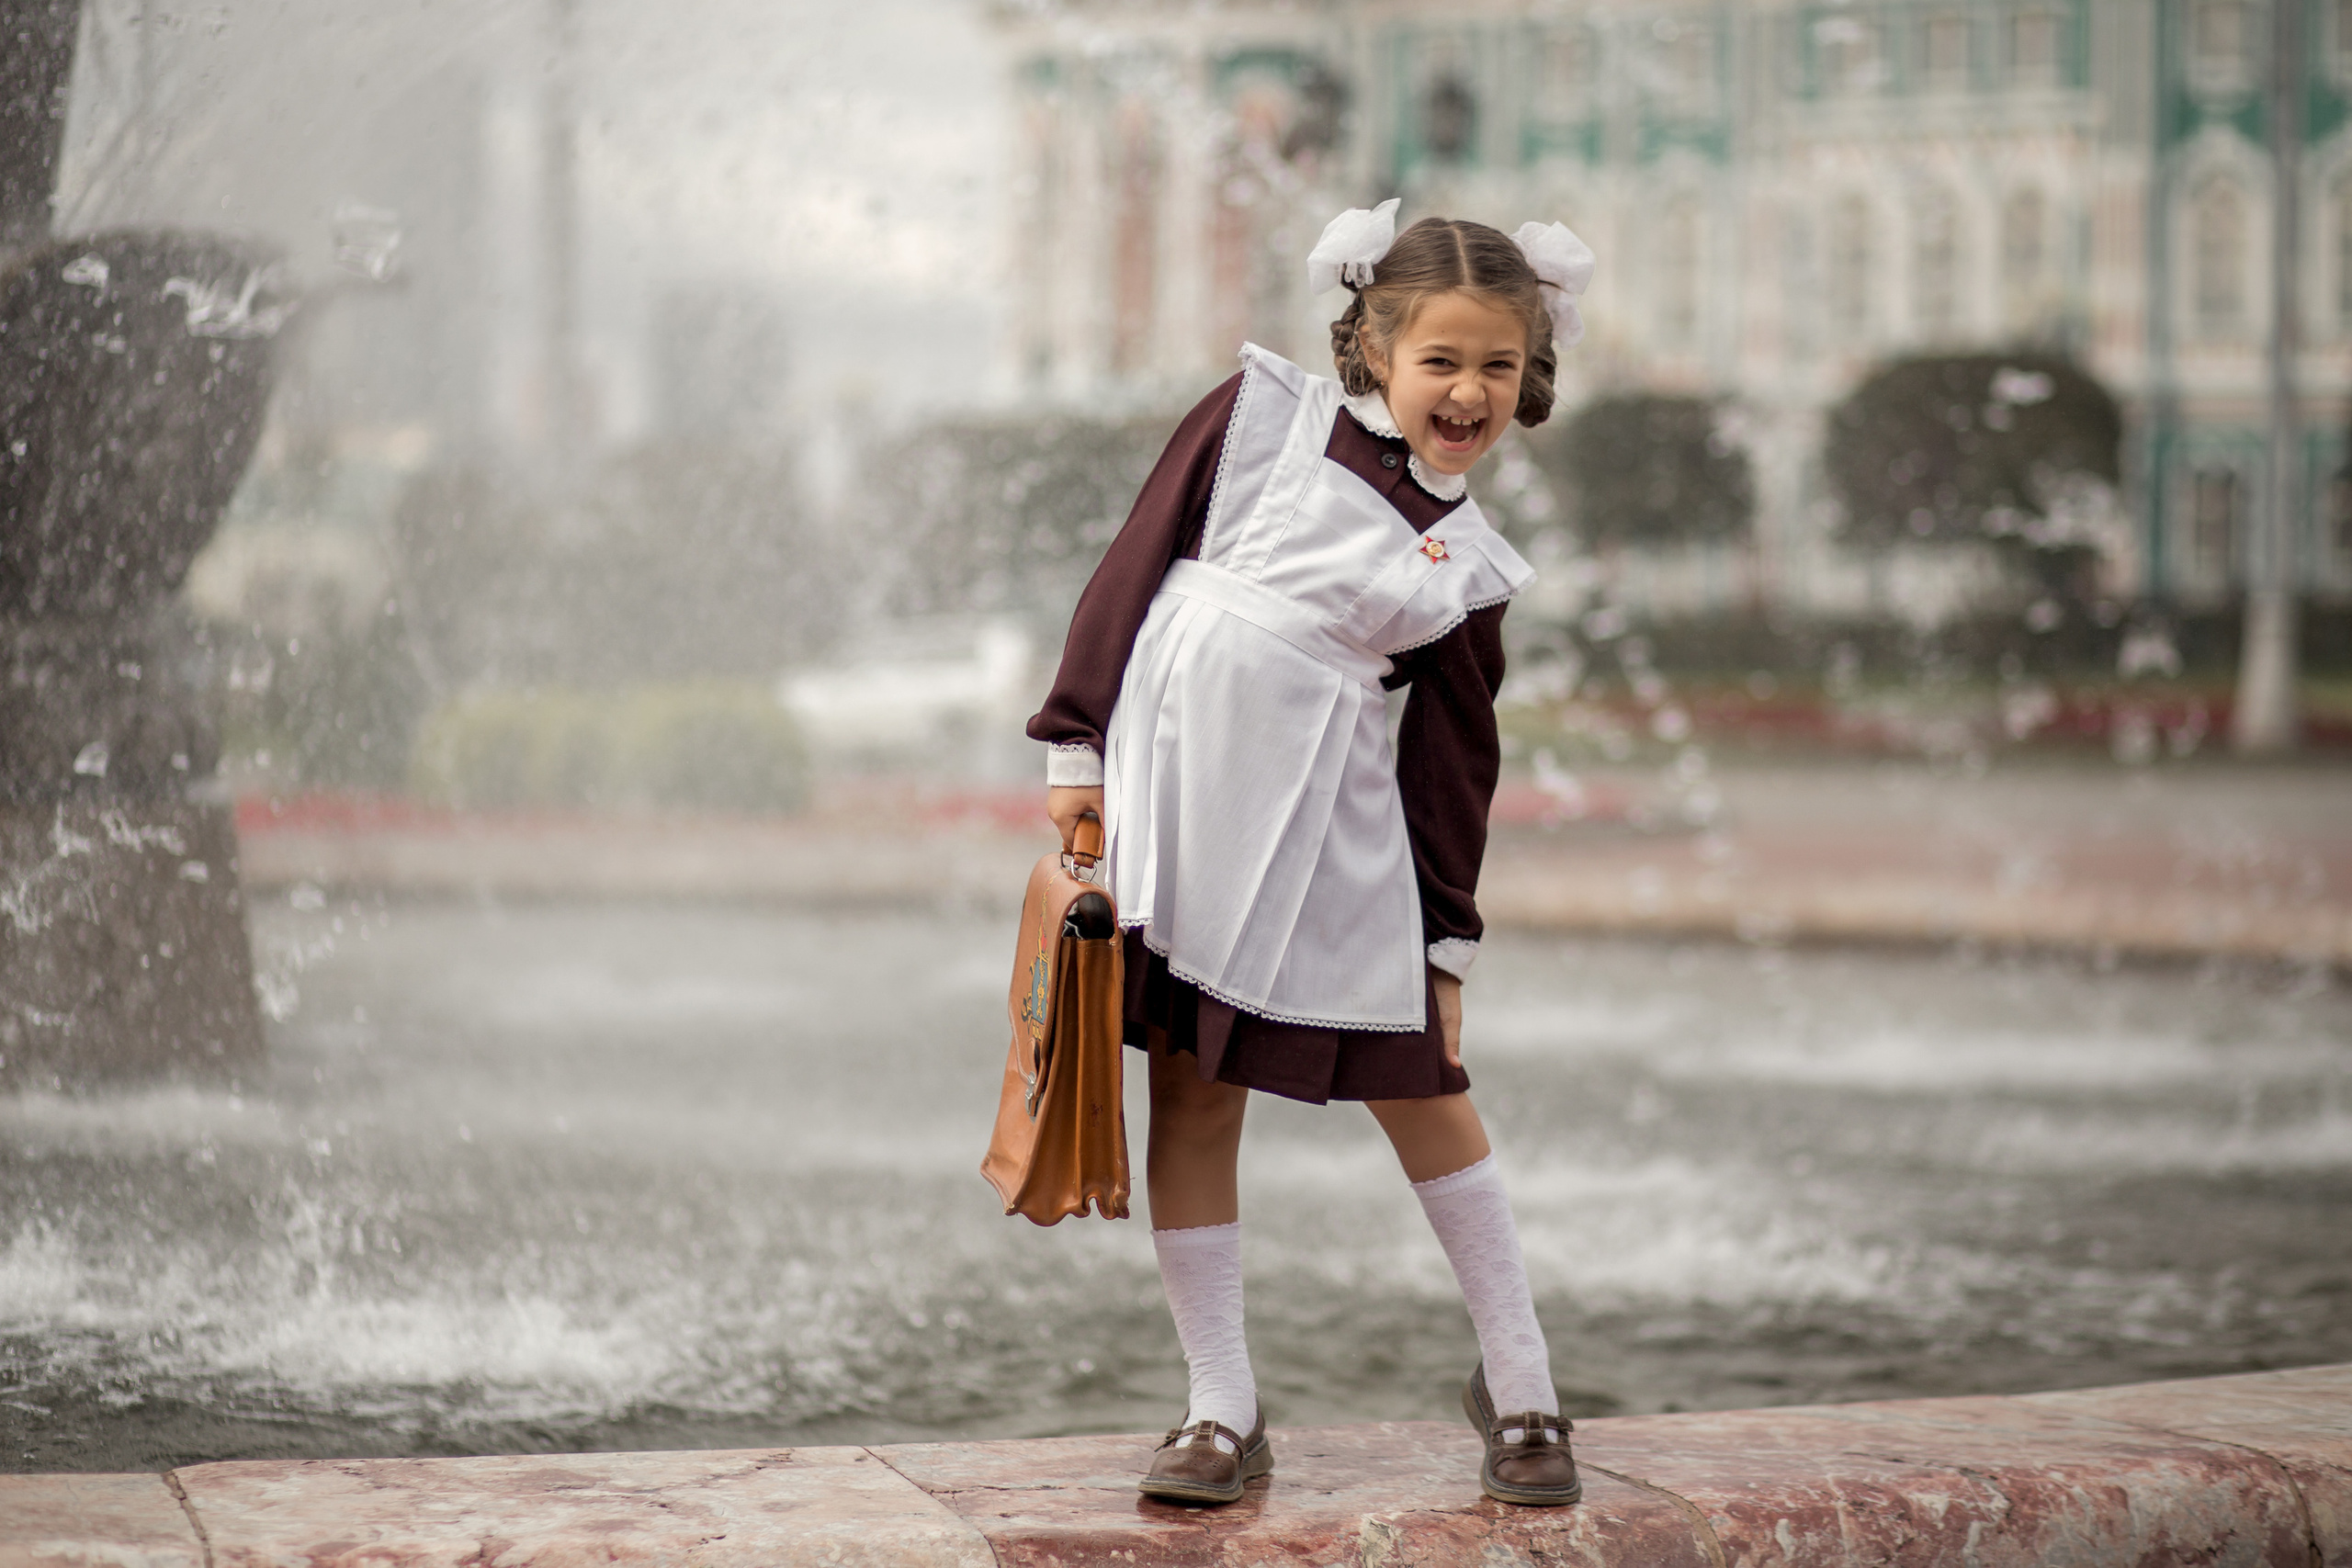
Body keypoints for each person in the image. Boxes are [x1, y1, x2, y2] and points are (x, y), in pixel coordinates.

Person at [1027, 201, 1594, 1508]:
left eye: (1497, 365)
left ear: (1531, 374)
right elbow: (1128, 572)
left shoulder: (1465, 566)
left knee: (1427, 1090)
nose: (1467, 390)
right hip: (1179, 827)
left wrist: (1446, 941)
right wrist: (1074, 751)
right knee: (1193, 1093)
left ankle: (1521, 1385)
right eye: (1441, 358)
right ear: (1376, 346)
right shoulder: (1253, 423)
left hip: (1333, 856)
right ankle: (1219, 1405)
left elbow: (1452, 770)